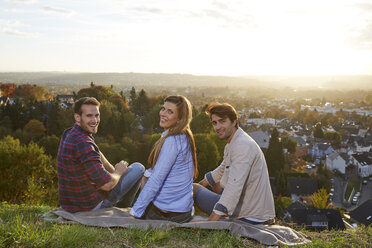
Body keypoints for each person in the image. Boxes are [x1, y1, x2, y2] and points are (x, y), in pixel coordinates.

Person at [57, 97, 145, 213]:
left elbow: (98, 153)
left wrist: (116, 173)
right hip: (90, 206)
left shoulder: (70, 133)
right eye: (89, 116)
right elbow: (107, 185)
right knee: (138, 168)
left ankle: (122, 205)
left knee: (122, 175)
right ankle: (123, 208)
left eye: (97, 115)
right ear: (77, 117)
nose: (94, 120)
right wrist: (118, 172)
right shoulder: (84, 144)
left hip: (71, 204)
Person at [193, 102, 275, 224]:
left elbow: (233, 188)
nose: (218, 127)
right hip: (248, 208)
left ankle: (214, 217)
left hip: (250, 216)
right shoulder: (235, 142)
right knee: (201, 187)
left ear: (234, 122)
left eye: (222, 121)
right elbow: (222, 169)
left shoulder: (242, 145)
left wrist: (209, 224)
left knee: (193, 190)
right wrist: (203, 183)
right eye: (214, 123)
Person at [129, 95, 198, 223]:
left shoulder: (172, 141)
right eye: (163, 109)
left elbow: (156, 181)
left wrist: (134, 213)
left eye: (170, 112)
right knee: (146, 176)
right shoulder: (185, 136)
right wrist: (148, 173)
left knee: (145, 182)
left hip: (168, 215)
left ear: (180, 119)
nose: (163, 114)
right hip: (184, 211)